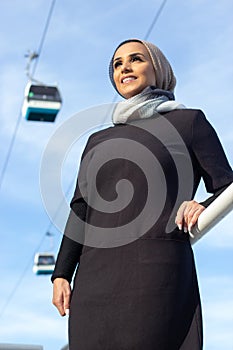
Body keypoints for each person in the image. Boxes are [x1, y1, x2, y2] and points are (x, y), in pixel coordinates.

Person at [51, 39, 233, 350]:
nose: (125, 67)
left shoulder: (189, 123)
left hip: (156, 274)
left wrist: (202, 206)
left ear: (158, 69)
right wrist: (62, 274)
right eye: (118, 64)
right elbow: (81, 209)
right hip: (94, 279)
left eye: (136, 59)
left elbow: (226, 186)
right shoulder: (97, 140)